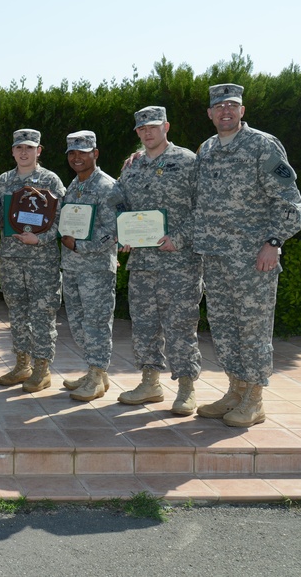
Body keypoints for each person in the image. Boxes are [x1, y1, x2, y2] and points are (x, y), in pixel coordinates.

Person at [194, 84, 301, 427]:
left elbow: (289, 201)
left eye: (232, 105)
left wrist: (273, 242)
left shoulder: (262, 145)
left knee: (253, 328)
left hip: (253, 259)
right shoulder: (207, 149)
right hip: (215, 257)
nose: (225, 111)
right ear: (210, 114)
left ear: (242, 111)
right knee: (224, 327)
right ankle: (236, 390)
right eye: (219, 106)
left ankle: (254, 398)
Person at [115, 106, 203, 415]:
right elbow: (119, 204)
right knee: (143, 325)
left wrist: (178, 238)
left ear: (166, 126)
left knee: (180, 326)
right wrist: (120, 232)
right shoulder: (131, 167)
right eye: (142, 129)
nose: (147, 132)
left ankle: (187, 388)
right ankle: (150, 383)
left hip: (179, 261)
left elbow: (203, 208)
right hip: (142, 262)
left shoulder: (188, 162)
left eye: (153, 126)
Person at [0, 129, 66, 393]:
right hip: (12, 257)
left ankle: (42, 368)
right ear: (13, 151)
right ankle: (22, 363)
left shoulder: (50, 180)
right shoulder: (3, 181)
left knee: (43, 313)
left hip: (41, 259)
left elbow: (62, 217)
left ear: (39, 151)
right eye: (19, 148)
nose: (24, 152)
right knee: (17, 313)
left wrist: (42, 238)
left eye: (29, 148)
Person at [59, 130, 119, 402]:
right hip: (72, 267)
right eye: (72, 153)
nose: (76, 157)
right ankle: (95, 372)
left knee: (95, 323)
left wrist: (81, 246)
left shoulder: (107, 186)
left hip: (95, 268)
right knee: (79, 323)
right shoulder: (75, 185)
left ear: (95, 153)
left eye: (82, 152)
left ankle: (96, 375)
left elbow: (113, 230)